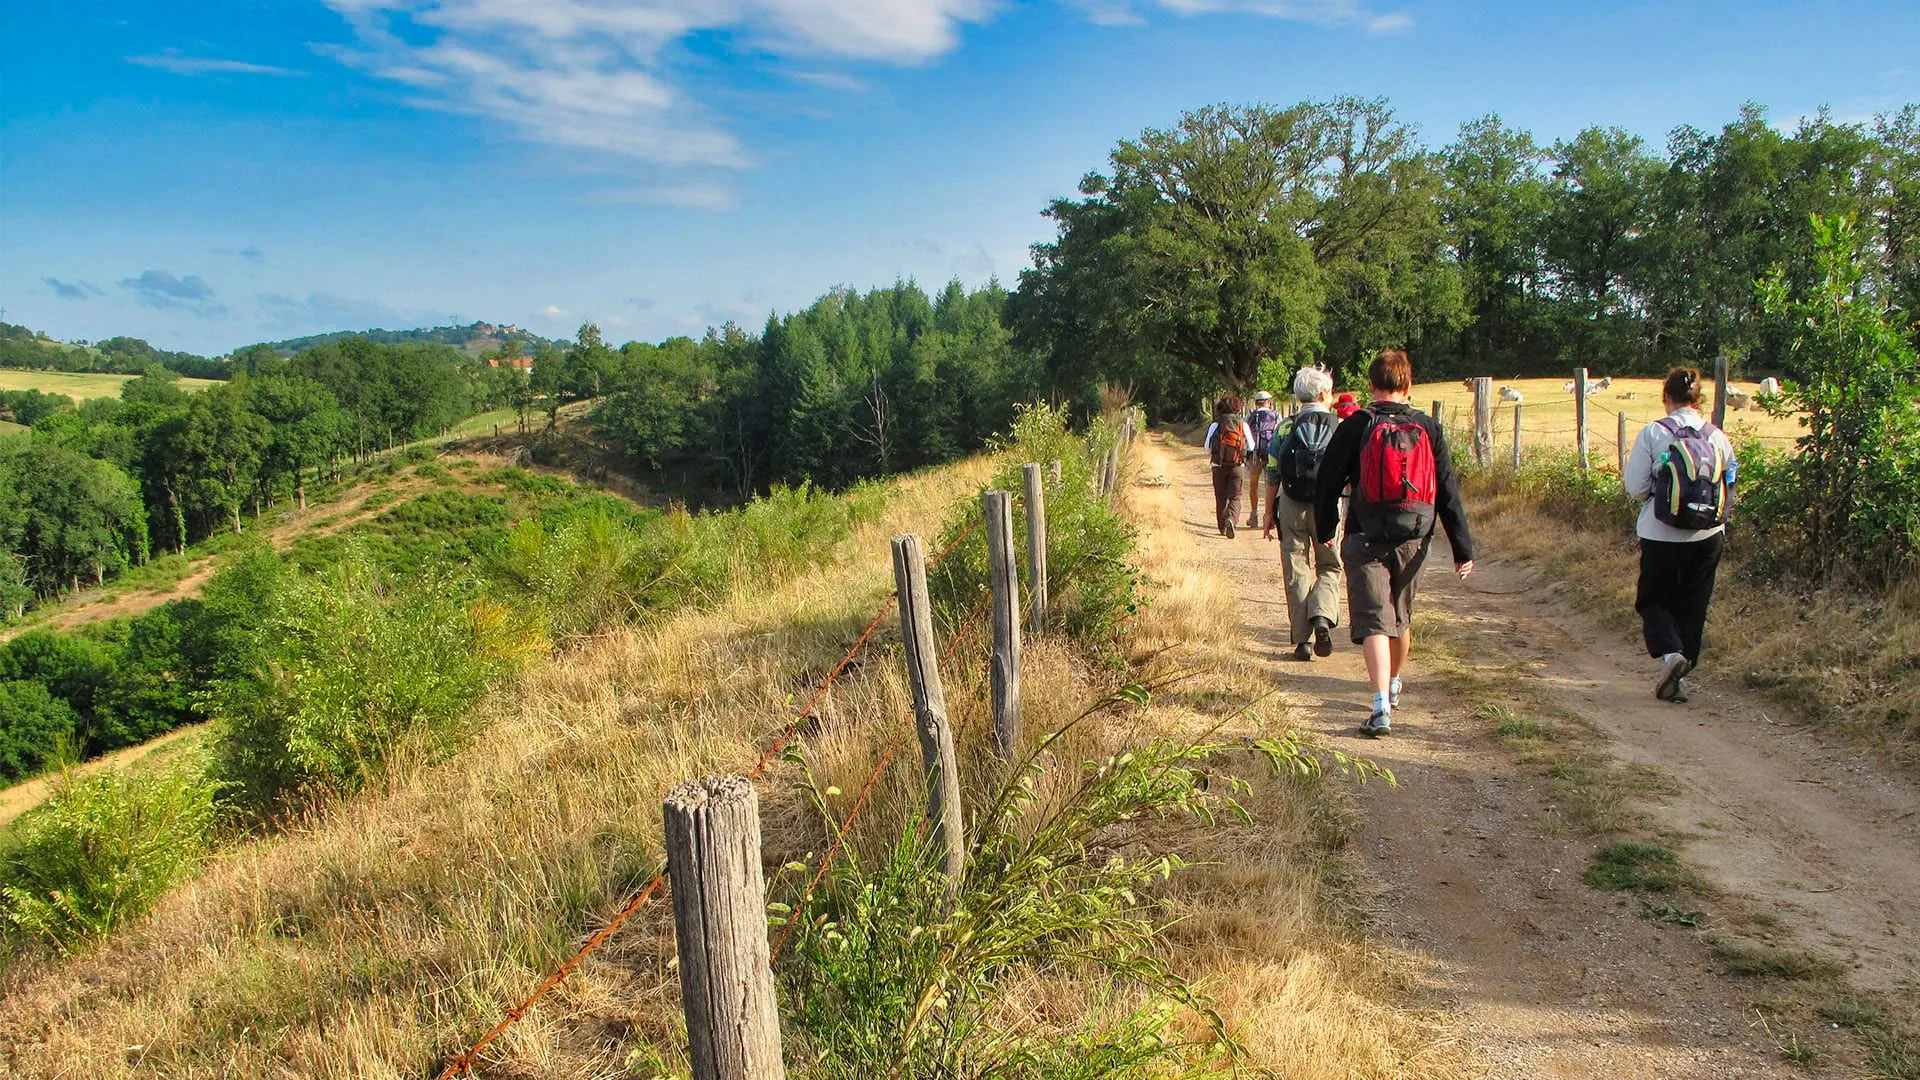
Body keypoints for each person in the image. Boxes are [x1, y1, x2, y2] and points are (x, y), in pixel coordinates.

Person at [1315, 349, 1475, 736]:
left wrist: (1325, 529)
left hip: (1365, 533)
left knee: (1374, 620)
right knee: (1400, 617)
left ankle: (1380, 707)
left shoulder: (1356, 425)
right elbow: (1448, 492)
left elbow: (1327, 482)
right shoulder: (1428, 427)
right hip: (1414, 536)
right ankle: (1393, 684)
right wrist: (1462, 549)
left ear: (1372, 385)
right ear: (1408, 384)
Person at [1623, 367, 1737, 704]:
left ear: (1666, 397)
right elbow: (1729, 483)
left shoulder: (1654, 432)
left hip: (1661, 533)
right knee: (1693, 605)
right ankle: (1679, 673)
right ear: (1698, 399)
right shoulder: (1717, 436)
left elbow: (1635, 487)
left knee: (1653, 601)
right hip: (1709, 534)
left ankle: (1672, 656)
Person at [1264, 367, 1343, 661]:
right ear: (1323, 394)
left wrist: (1268, 512)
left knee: (1296, 567)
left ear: (1299, 396)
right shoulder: (1339, 426)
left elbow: (1273, 472)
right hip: (1328, 506)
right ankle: (1322, 615)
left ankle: (1302, 641)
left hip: (1291, 503)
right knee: (1329, 565)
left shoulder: (1285, 427)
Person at [1204, 395, 1253, 537]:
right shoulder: (1242, 424)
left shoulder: (1215, 425)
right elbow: (1251, 446)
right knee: (1235, 496)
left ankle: (1222, 528)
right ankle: (1231, 519)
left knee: (1220, 497)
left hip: (1218, 465)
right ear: (1237, 408)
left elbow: (1207, 446)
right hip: (1237, 465)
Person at [1245, 390, 1282, 528]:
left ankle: (1254, 515)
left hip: (1255, 454)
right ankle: (1270, 517)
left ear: (1256, 402)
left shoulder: (1250, 416)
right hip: (1271, 455)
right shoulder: (1276, 416)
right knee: (1269, 486)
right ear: (1268, 402)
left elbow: (1246, 434)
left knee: (1253, 484)